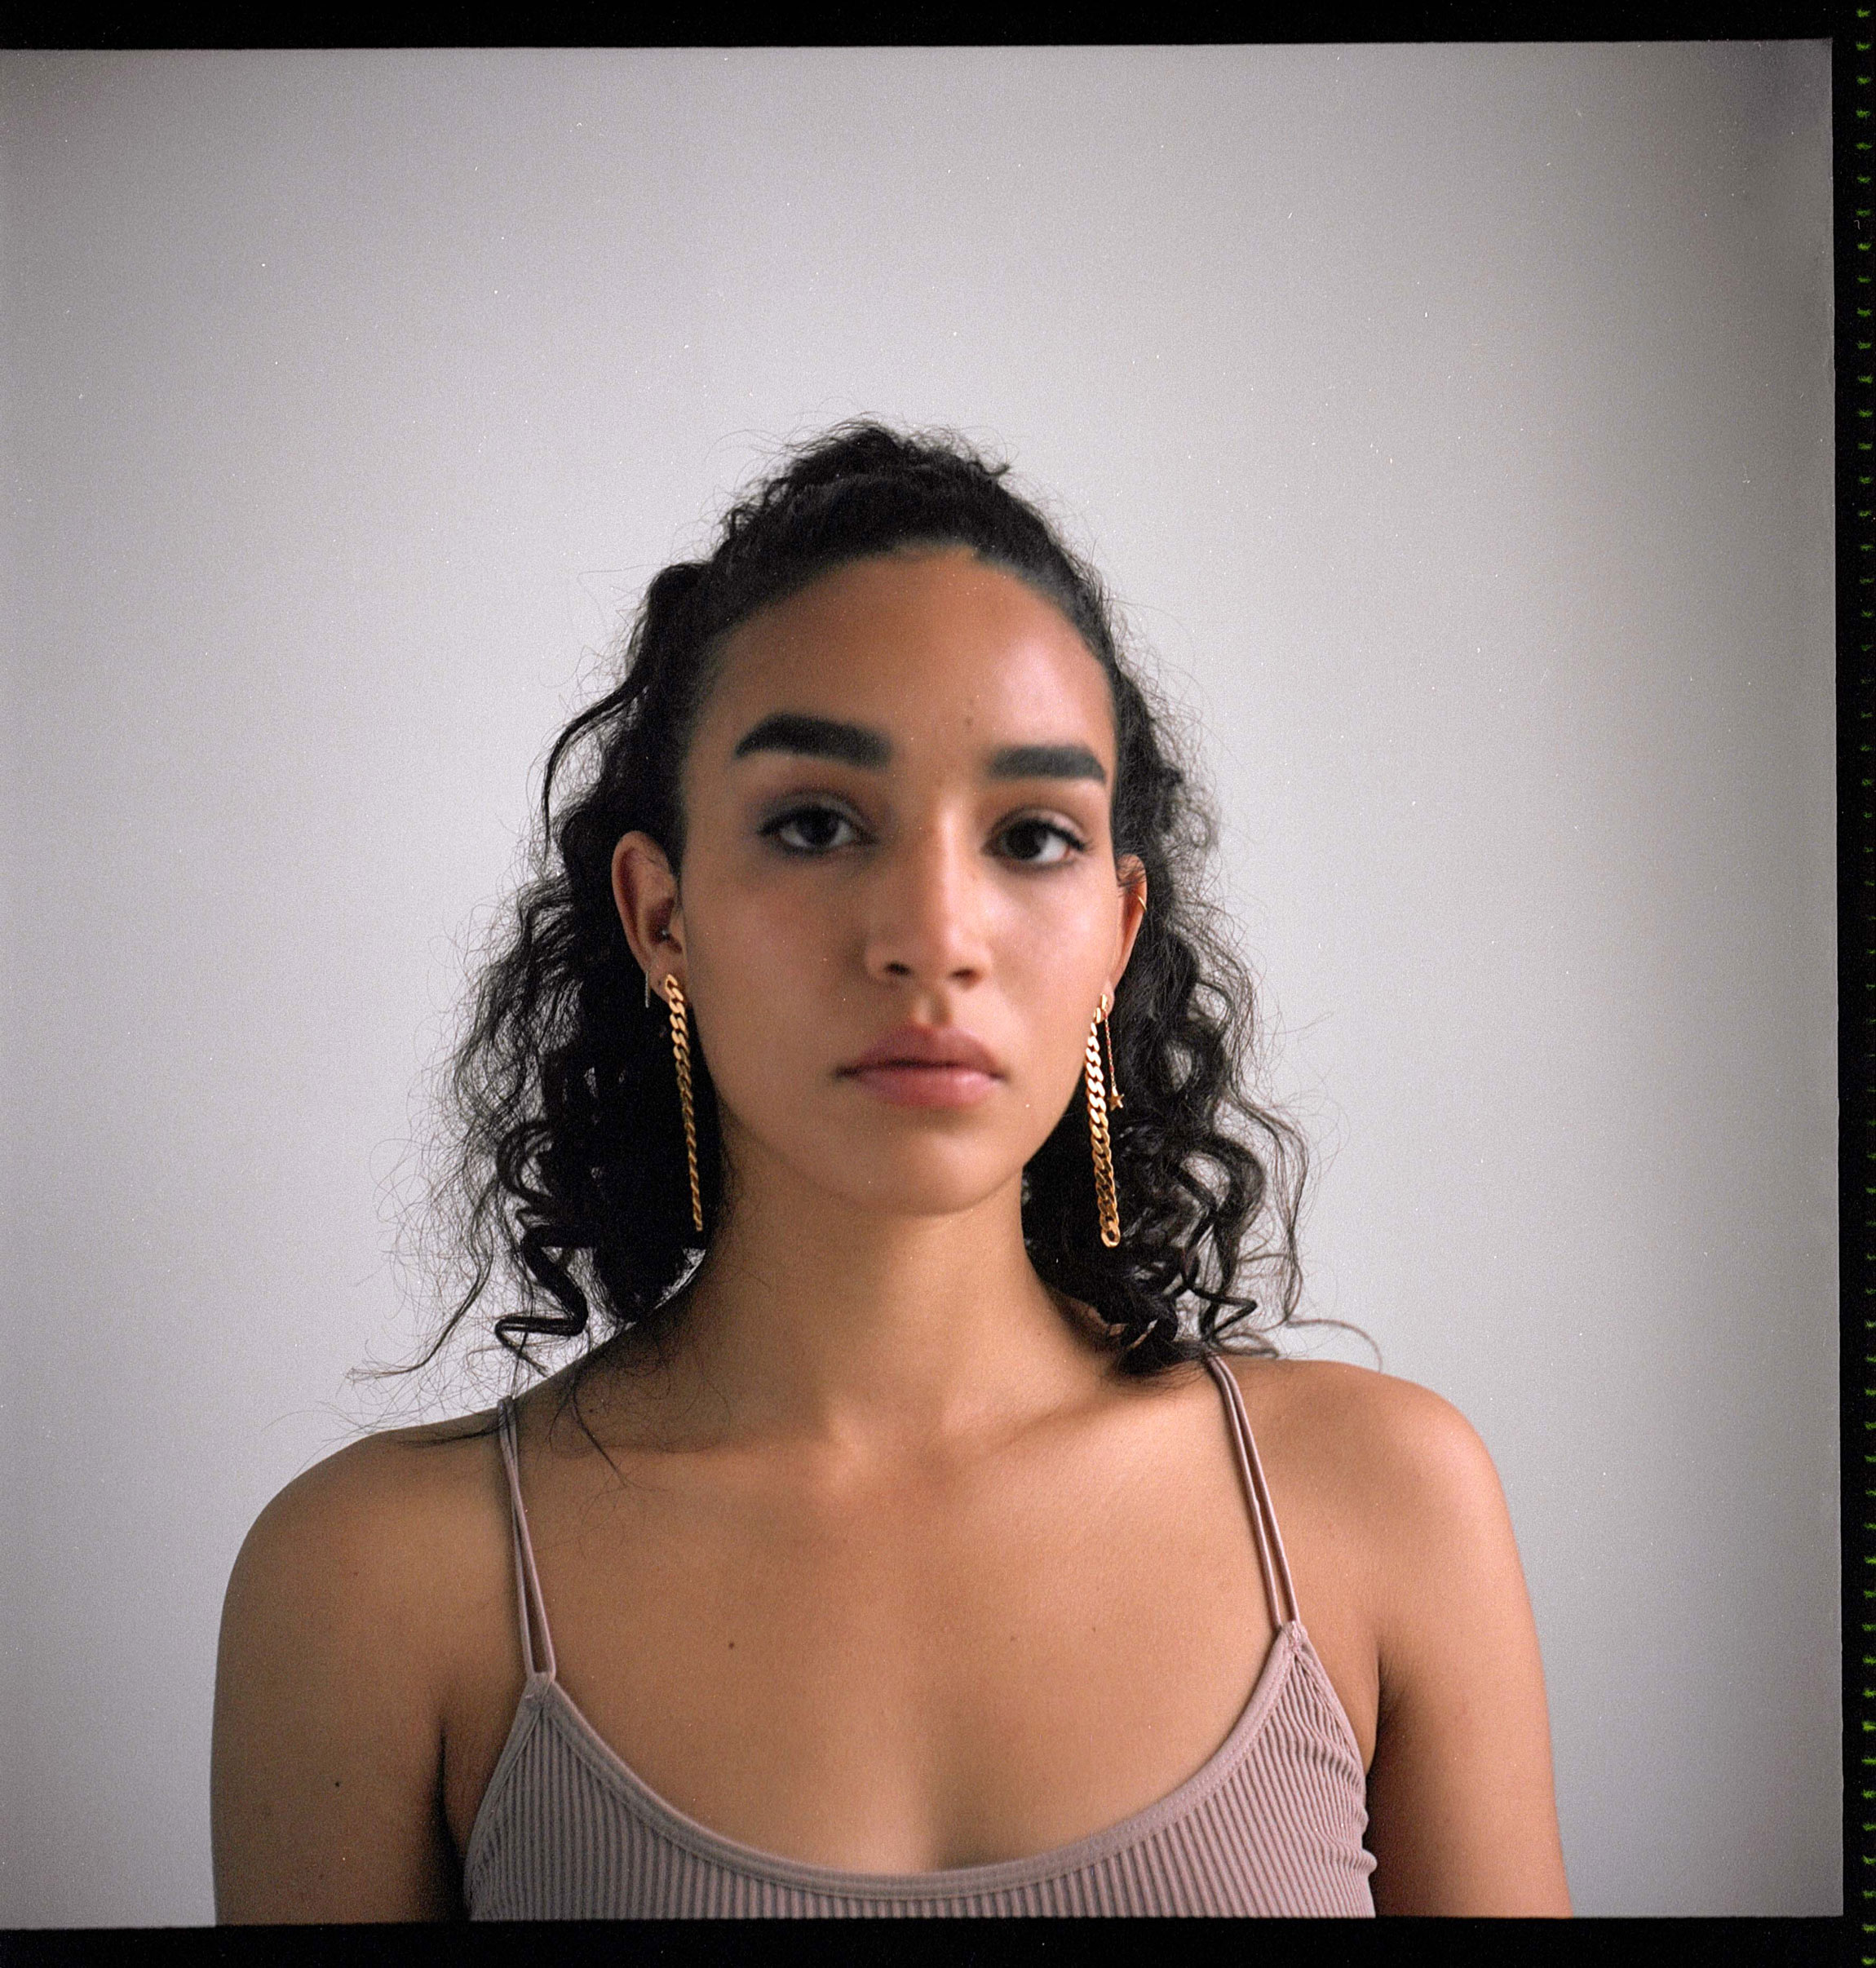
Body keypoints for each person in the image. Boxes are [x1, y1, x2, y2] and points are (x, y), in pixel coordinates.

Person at [210, 423, 1571, 1920]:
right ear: (661, 913)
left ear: (1117, 936)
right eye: (814, 823)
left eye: (1032, 836)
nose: (933, 934)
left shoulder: (1384, 1508)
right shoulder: (373, 1590)